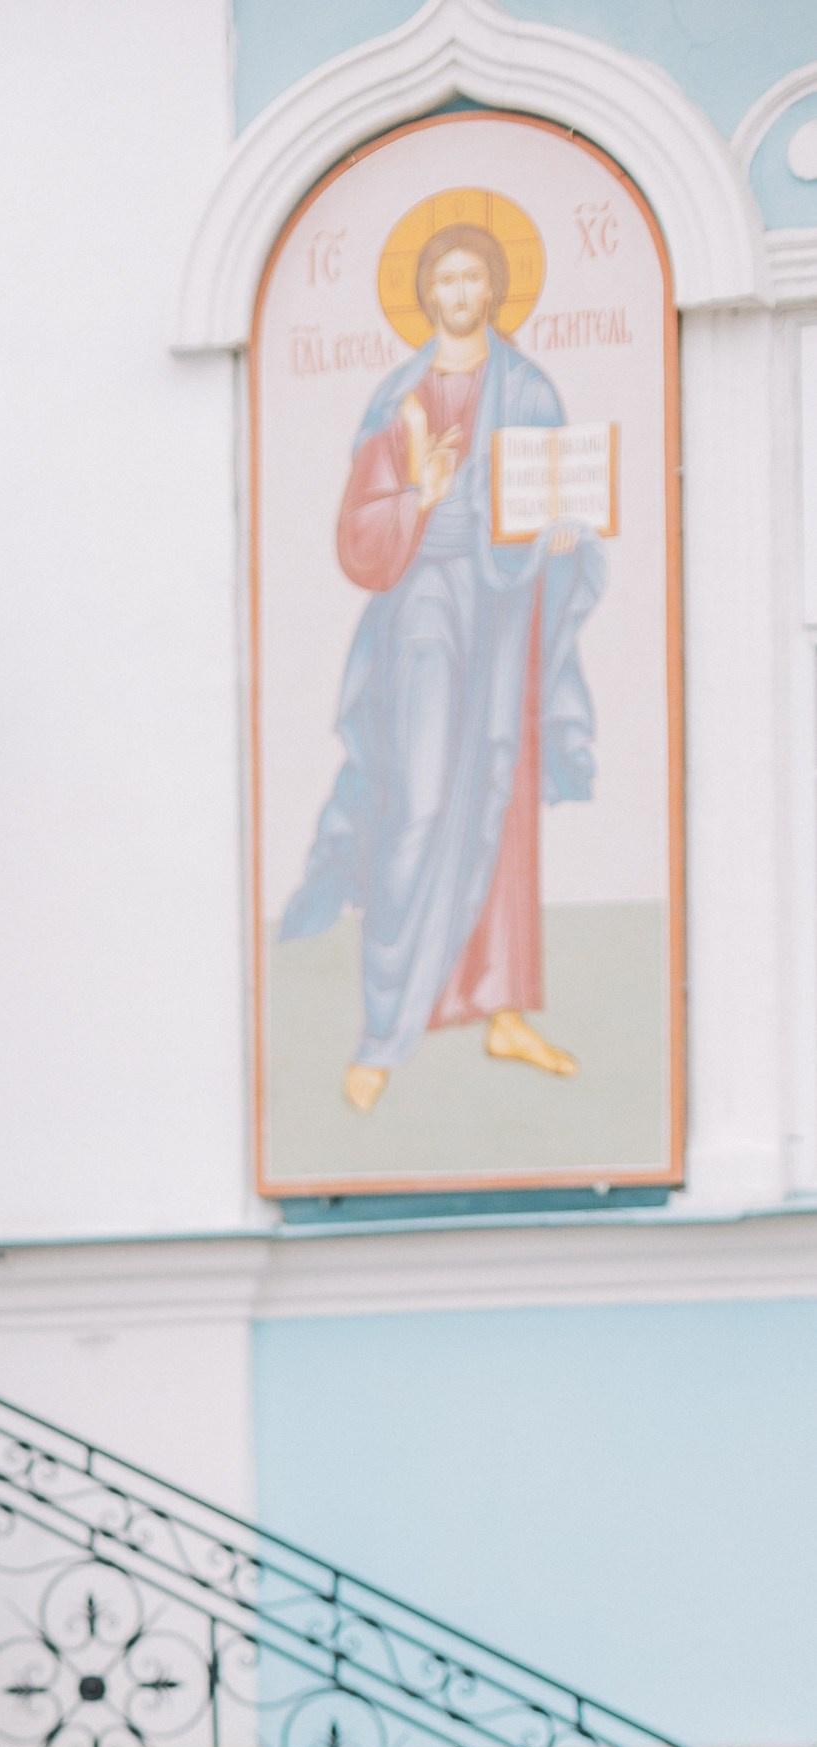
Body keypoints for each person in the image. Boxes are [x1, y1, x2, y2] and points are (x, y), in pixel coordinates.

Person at [280, 216, 601, 1112]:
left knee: (496, 787)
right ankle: (383, 1030)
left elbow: (552, 494)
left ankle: (499, 1005)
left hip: (503, 602)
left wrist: (563, 536)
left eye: (472, 280)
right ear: (426, 295)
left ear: (493, 290)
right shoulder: (397, 400)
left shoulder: (528, 388)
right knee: (417, 799)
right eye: (444, 282)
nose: (459, 295)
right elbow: (360, 536)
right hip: (422, 602)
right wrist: (419, 495)